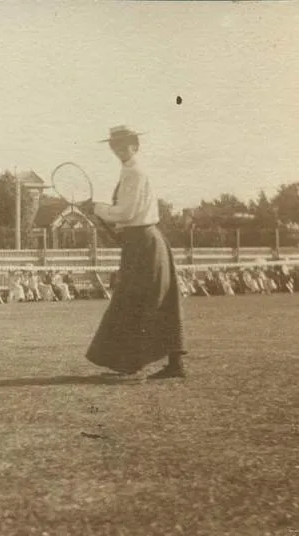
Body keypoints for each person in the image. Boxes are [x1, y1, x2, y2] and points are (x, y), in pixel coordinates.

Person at [82, 125, 186, 379]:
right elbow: (128, 215)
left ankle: (160, 364)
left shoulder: (135, 173)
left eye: (123, 144)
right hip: (142, 241)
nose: (118, 149)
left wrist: (97, 208)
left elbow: (127, 212)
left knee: (145, 300)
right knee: (147, 299)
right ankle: (141, 362)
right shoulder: (130, 171)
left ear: (135, 145)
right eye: (114, 144)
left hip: (145, 242)